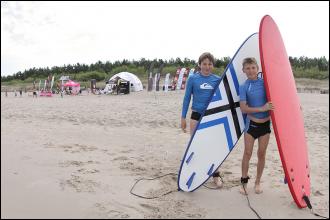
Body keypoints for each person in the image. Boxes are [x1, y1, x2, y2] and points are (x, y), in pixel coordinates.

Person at [181, 52, 223, 188]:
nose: (207, 66)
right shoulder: (193, 78)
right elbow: (187, 98)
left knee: (212, 147)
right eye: (204, 64)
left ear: (213, 65)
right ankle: (192, 173)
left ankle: (215, 175)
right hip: (196, 116)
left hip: (211, 117)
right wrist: (183, 117)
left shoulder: (217, 79)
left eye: (210, 64)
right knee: (194, 147)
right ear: (199, 65)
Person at [239, 57, 274, 195]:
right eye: (247, 68)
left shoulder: (266, 83)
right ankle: (243, 182)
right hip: (251, 124)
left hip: (265, 125)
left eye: (253, 67)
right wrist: (262, 108)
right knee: (247, 153)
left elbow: (279, 95)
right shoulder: (244, 86)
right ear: (243, 70)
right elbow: (243, 108)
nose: (251, 70)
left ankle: (258, 182)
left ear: (257, 68)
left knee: (261, 154)